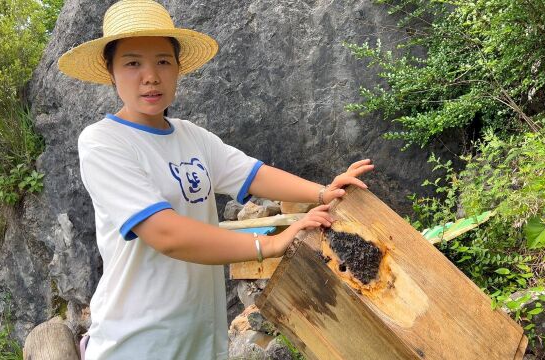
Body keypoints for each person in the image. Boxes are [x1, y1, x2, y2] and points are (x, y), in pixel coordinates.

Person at [57, 1, 374, 359]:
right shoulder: (104, 141)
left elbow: (253, 173)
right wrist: (265, 246)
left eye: (163, 61)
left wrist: (321, 191)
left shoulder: (192, 136)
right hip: (137, 341)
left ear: (177, 69)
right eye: (132, 63)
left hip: (201, 340)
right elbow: (166, 234)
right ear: (110, 71)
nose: (150, 76)